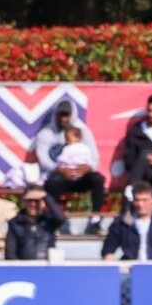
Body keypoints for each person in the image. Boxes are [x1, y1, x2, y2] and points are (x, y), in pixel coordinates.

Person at [33, 99, 106, 231]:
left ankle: (95, 218)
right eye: (60, 115)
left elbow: (94, 157)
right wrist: (58, 168)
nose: (63, 119)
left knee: (98, 179)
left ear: (72, 115)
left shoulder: (83, 131)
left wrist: (88, 168)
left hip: (81, 175)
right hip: (61, 175)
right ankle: (54, 219)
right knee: (54, 181)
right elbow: (43, 159)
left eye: (66, 115)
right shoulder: (46, 133)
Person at [101, 181, 152, 261]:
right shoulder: (122, 222)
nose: (140, 204)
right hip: (130, 265)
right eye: (137, 200)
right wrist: (109, 258)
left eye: (145, 200)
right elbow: (108, 249)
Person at [118, 93, 152, 193]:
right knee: (144, 155)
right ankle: (131, 193)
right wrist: (146, 161)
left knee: (145, 154)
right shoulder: (136, 131)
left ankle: (130, 190)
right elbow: (129, 159)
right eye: (149, 110)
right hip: (142, 176)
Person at [5, 186, 57, 260]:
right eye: (29, 200)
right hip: (24, 265)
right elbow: (10, 253)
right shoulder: (15, 223)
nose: (33, 204)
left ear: (43, 203)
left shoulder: (49, 221)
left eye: (36, 201)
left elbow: (61, 217)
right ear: (24, 202)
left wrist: (45, 195)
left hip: (47, 265)